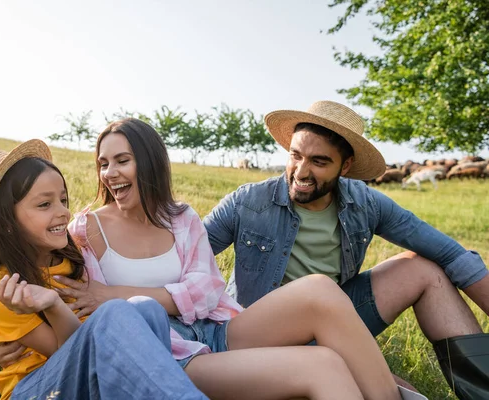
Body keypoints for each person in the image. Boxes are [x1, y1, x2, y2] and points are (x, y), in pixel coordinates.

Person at [54, 118, 424, 399]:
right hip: (171, 354)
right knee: (324, 364)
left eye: (122, 160)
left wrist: (115, 292)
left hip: (219, 329)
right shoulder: (85, 231)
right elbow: (71, 304)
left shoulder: (181, 218)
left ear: (149, 163)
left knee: (321, 290)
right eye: (103, 163)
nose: (110, 173)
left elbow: (205, 291)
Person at [201, 101, 489, 399]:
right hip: (261, 334)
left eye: (319, 162)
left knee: (424, 269)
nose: (301, 171)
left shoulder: (367, 203)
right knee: (401, 391)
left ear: (346, 166)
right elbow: (185, 257)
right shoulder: (247, 202)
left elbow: (451, 254)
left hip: (332, 321)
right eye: (295, 156)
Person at [0, 140, 208, 400]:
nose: (64, 212)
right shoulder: (7, 293)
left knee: (147, 308)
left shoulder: (67, 258)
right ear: (7, 222)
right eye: (45, 205)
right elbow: (69, 350)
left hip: (84, 373)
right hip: (39, 389)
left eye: (63, 200)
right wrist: (54, 304)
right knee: (116, 312)